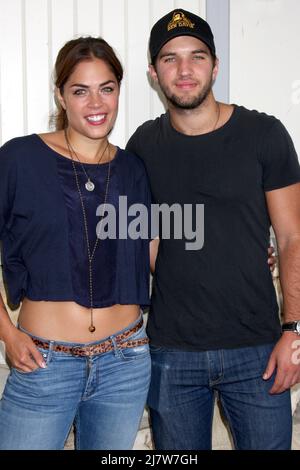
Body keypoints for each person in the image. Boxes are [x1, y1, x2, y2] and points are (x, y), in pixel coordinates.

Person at [126, 8, 300, 450]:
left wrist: (293, 331)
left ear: (215, 65)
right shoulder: (143, 145)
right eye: (169, 58)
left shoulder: (264, 134)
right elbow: (146, 240)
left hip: (257, 350)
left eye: (197, 56)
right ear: (153, 72)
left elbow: (293, 238)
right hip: (170, 353)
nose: (184, 70)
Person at [0, 36, 153, 450]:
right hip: (44, 362)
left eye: (106, 88)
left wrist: (243, 254)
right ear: (60, 96)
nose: (96, 103)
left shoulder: (133, 170)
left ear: (119, 91)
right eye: (80, 91)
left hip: (125, 361)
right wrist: (7, 333)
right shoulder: (18, 159)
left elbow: (153, 251)